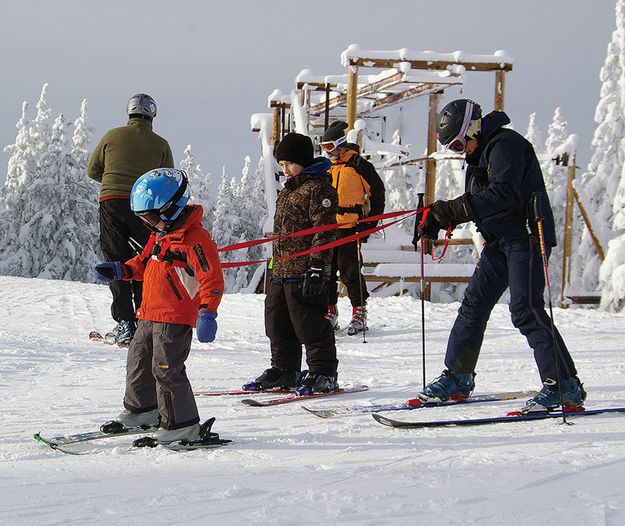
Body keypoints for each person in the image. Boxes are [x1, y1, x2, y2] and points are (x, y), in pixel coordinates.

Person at [414, 99, 586, 413]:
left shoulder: (506, 145)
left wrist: (450, 210)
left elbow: (503, 194)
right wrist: (438, 219)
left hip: (527, 238)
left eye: (457, 143)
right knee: (474, 304)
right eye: (451, 147)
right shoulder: (480, 155)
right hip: (500, 242)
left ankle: (564, 385)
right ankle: (458, 376)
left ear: (473, 128)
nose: (458, 151)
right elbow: (479, 202)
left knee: (525, 308)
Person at [94, 168, 224, 444]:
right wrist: (121, 270)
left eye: (150, 218)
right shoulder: (160, 235)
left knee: (166, 369)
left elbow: (211, 278)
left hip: (174, 318)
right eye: (143, 219)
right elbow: (143, 264)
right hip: (149, 312)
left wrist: (207, 312)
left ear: (172, 209)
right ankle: (142, 410)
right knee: (138, 362)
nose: (147, 224)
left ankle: (182, 424)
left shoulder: (195, 240)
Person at [243, 132, 339, 395]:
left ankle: (323, 371)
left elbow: (325, 231)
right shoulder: (291, 189)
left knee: (309, 323)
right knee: (277, 322)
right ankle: (285, 369)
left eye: (289, 164)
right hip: (282, 269)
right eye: (281, 165)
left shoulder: (319, 189)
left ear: (304, 160)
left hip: (306, 270)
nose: (285, 170)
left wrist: (318, 266)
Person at [88, 94, 174, 346]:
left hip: (111, 201)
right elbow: (167, 178)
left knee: (116, 259)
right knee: (145, 259)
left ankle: (124, 322)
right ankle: (144, 318)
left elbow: (93, 170)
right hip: (145, 207)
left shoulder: (111, 136)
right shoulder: (161, 144)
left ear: (129, 113)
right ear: (152, 115)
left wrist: (115, 182)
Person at [320, 121, 385, 335]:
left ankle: (359, 312)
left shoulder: (358, 165)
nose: (327, 151)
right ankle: (330, 311)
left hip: (350, 226)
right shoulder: (328, 167)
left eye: (329, 146)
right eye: (323, 147)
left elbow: (377, 191)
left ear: (340, 144)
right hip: (329, 227)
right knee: (326, 272)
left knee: (350, 272)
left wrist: (371, 222)